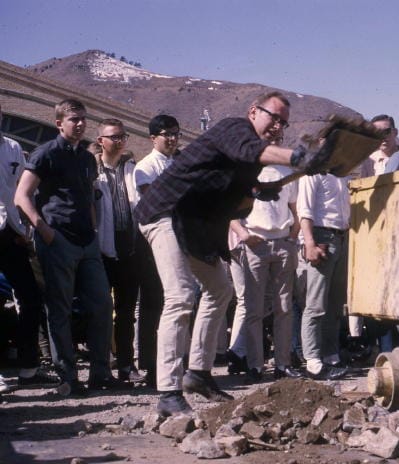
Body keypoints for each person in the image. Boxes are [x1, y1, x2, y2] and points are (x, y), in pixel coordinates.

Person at [133, 91, 330, 416]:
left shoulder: (248, 158)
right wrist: (301, 158)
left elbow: (234, 188)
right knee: (181, 296)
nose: (277, 126)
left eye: (283, 122)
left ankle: (197, 373)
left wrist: (259, 191)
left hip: (195, 224)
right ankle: (168, 392)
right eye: (273, 117)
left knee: (220, 290)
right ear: (253, 111)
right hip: (165, 213)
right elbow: (251, 151)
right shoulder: (234, 129)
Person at [14, 99, 118, 396]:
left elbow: (89, 198)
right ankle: (67, 377)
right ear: (59, 122)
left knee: (101, 305)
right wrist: (44, 231)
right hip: (58, 239)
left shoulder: (86, 159)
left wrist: (95, 230)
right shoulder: (46, 153)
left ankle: (100, 373)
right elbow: (22, 196)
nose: (80, 124)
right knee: (59, 309)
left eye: (84, 119)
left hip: (87, 242)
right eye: (74, 119)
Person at [0, 104, 59, 389]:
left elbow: (20, 189)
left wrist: (24, 225)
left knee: (30, 297)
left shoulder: (12, 147)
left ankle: (28, 366)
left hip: (11, 231)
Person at [228, 162, 302, 383]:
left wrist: (292, 237)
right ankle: (255, 366)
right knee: (254, 308)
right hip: (254, 242)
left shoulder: (287, 173)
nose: (273, 135)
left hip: (282, 241)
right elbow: (230, 210)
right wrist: (243, 233)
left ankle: (283, 364)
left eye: (279, 128)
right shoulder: (244, 171)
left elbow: (296, 209)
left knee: (284, 306)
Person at [94, 119, 145, 384]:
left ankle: (126, 365)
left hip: (129, 249)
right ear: (101, 140)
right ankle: (101, 368)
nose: (119, 141)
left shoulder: (131, 169)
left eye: (122, 136)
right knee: (102, 310)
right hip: (101, 251)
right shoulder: (93, 170)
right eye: (113, 137)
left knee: (126, 313)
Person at [132, 114, 181, 386]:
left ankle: (174, 362)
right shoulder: (146, 167)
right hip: (154, 240)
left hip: (180, 237)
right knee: (153, 304)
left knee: (176, 302)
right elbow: (158, 201)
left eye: (175, 134)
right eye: (166, 134)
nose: (172, 139)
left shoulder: (179, 163)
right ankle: (151, 366)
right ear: (153, 138)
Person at [297, 171, 350, 380]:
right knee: (316, 302)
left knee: (335, 303)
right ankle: (313, 361)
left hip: (342, 236)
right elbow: (305, 210)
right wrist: (309, 242)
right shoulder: (314, 172)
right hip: (322, 235)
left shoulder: (342, 174)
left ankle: (330, 355)